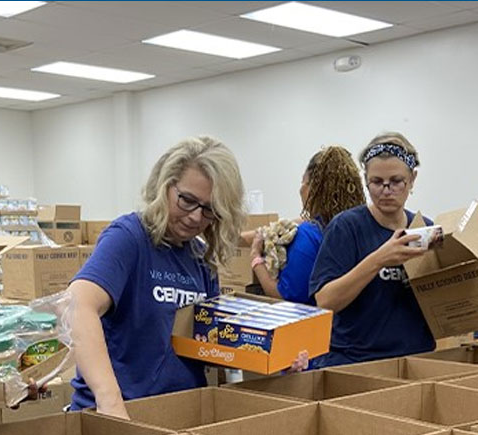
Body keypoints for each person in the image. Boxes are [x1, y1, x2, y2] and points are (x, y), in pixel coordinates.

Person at [67, 136, 307, 419]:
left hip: (179, 414)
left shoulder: (200, 259)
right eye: (187, 201)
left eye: (209, 210)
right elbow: (77, 305)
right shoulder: (129, 238)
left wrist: (273, 359)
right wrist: (110, 402)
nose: (195, 217)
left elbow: (211, 345)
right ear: (165, 185)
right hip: (122, 415)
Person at [309, 132, 435, 367]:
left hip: (416, 359)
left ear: (412, 179)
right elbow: (325, 301)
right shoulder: (346, 228)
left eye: (396, 181)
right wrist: (378, 259)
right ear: (365, 180)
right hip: (357, 361)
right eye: (376, 182)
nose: (386, 191)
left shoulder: (424, 228)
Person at [249, 146, 366, 304]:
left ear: (314, 189)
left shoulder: (308, 236)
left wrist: (256, 258)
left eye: (303, 182)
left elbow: (287, 297)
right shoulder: (362, 227)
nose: (300, 189)